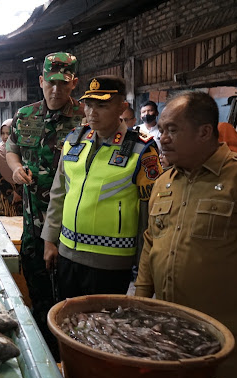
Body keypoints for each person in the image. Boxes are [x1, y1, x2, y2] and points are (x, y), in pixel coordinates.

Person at [135, 91, 237, 378]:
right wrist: (140, 302)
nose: (162, 138)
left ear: (205, 131)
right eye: (161, 129)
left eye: (172, 130)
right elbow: (151, 244)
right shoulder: (164, 184)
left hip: (233, 346)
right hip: (170, 338)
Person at [41, 75, 162, 302]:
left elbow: (148, 215)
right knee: (67, 321)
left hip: (111, 262)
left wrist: (143, 269)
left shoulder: (141, 149)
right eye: (89, 105)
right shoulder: (74, 140)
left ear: (122, 107)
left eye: (102, 106)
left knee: (102, 329)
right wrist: (50, 240)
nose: (92, 113)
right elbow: (58, 194)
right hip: (67, 253)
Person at [5, 52, 84, 346]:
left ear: (74, 83)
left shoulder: (85, 118)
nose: (56, 89)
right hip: (32, 224)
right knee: (37, 294)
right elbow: (11, 148)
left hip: (70, 227)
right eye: (50, 82)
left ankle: (68, 353)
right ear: (41, 81)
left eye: (63, 84)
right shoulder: (25, 115)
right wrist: (14, 169)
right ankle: (43, 353)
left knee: (68, 300)